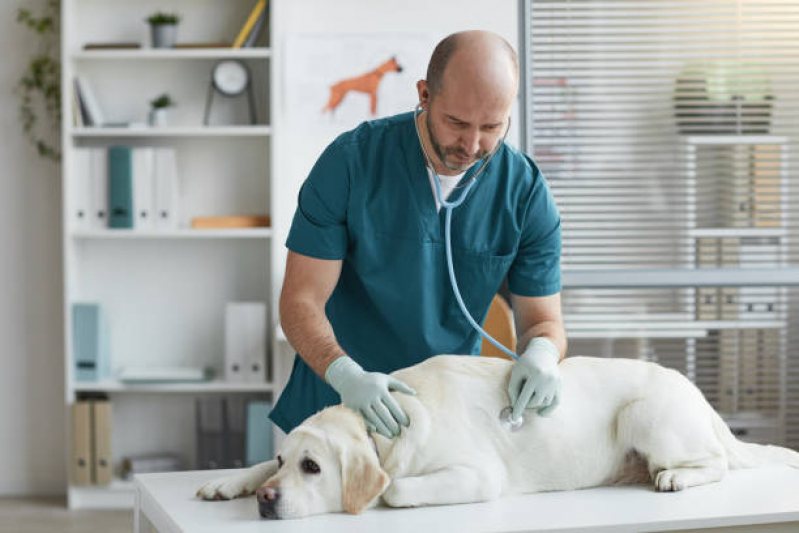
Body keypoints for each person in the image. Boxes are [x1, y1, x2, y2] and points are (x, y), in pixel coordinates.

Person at [270, 30, 567, 439]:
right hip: (335, 402)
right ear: (425, 95)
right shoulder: (351, 162)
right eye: (457, 123)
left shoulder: (525, 193)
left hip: (443, 414)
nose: (472, 144)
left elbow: (542, 322)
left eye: (492, 126)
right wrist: (346, 376)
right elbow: (300, 300)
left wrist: (543, 354)